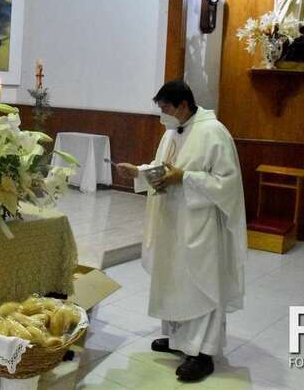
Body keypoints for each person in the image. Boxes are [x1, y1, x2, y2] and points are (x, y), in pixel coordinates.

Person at [115, 80, 246, 383]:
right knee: (174, 280)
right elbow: (164, 169)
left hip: (199, 225)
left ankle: (203, 353)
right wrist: (138, 171)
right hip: (172, 222)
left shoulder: (214, 132)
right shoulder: (172, 131)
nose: (162, 115)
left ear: (183, 105)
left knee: (201, 284)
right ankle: (179, 341)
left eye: (165, 109)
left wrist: (185, 178)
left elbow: (227, 183)